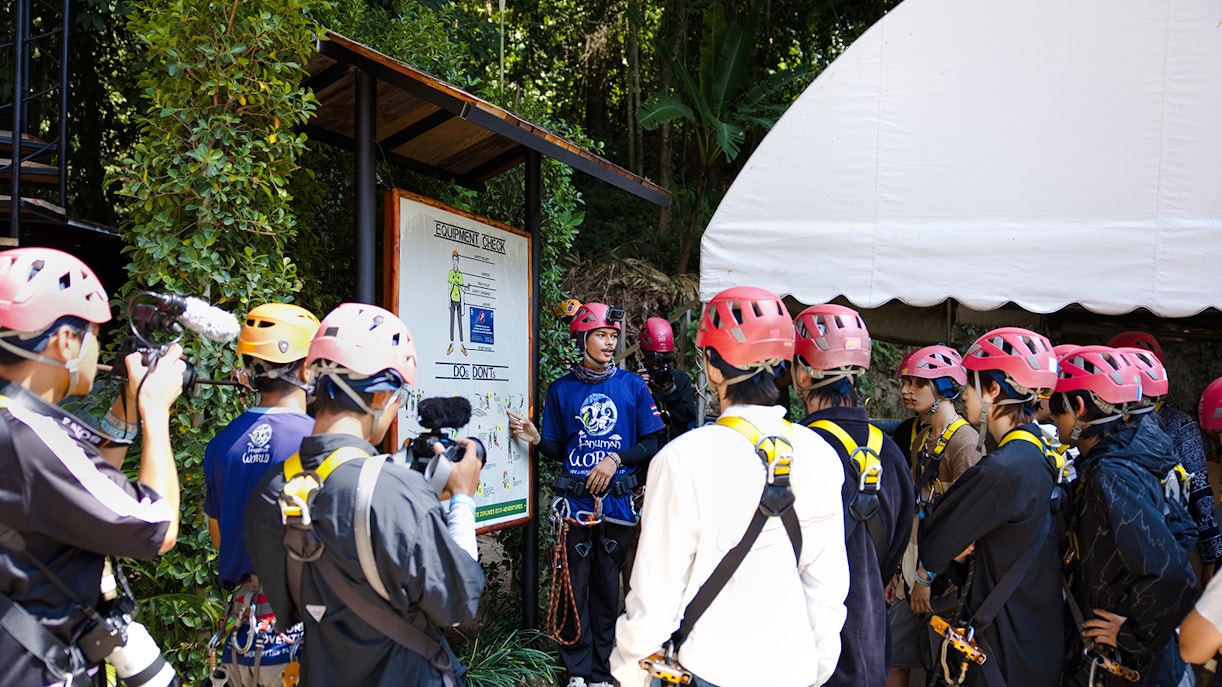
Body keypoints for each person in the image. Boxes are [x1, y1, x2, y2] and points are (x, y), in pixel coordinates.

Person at [609, 286, 850, 687]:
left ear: (712, 366)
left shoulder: (683, 458)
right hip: (795, 669)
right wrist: (818, 666)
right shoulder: (820, 454)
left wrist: (629, 670)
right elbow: (827, 587)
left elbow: (655, 593)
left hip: (708, 668)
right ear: (781, 364)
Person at [244, 303, 485, 687]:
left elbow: (290, 610)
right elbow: (457, 605)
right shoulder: (393, 491)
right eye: (397, 397)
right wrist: (461, 500)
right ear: (380, 397)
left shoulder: (271, 491)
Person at [0, 247, 187, 686]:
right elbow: (156, 524)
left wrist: (127, 409)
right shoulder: (34, 436)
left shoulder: (14, 428)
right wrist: (155, 411)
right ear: (64, 341)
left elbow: (83, 490)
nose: (95, 347)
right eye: (92, 334)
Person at [508, 302, 664, 687]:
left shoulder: (632, 386)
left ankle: (601, 670)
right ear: (583, 338)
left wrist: (615, 459)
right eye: (601, 335)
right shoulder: (562, 390)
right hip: (576, 505)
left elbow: (654, 440)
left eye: (613, 336)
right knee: (573, 588)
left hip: (617, 505)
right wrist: (537, 440)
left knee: (608, 588)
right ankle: (577, 671)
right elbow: (562, 450)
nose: (609, 343)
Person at [918, 327, 1065, 687]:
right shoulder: (1046, 456)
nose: (965, 395)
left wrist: (950, 556)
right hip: (1042, 634)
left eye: (971, 385)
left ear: (993, 390)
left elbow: (937, 541)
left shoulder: (1001, 468)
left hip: (999, 639)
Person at [1051, 345, 1196, 686]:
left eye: (1058, 409)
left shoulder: (1112, 475)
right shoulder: (1131, 456)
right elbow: (1184, 531)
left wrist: (1130, 632)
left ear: (1079, 408)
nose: (1052, 418)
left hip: (1135, 668)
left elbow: (1173, 575)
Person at [788, 304, 912, 687]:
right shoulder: (890, 453)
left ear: (804, 375)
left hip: (806, 640)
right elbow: (896, 544)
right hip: (869, 639)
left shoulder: (795, 451)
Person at [203, 303, 319, 685]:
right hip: (301, 627)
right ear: (307, 369)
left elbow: (221, 536)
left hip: (242, 630)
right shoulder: (318, 444)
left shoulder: (222, 444)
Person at [886, 344, 981, 687]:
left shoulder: (965, 442)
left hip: (943, 577)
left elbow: (968, 524)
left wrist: (926, 578)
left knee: (940, 667)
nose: (906, 390)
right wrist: (899, 569)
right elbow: (913, 508)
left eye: (918, 383)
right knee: (894, 654)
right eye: (906, 382)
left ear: (943, 388)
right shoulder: (922, 437)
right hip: (913, 565)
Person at [1109, 331, 1221, 587]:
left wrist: (1210, 559)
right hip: (1167, 547)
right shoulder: (1180, 425)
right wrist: (1211, 557)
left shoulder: (1107, 425)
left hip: (1138, 549)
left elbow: (1200, 499)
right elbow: (1200, 498)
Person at [636, 316, 696, 442]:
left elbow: (686, 418)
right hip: (646, 448)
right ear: (643, 352)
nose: (660, 364)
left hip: (675, 445)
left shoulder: (680, 378)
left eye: (665, 357)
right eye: (654, 358)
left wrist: (671, 391)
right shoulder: (636, 381)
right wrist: (638, 387)